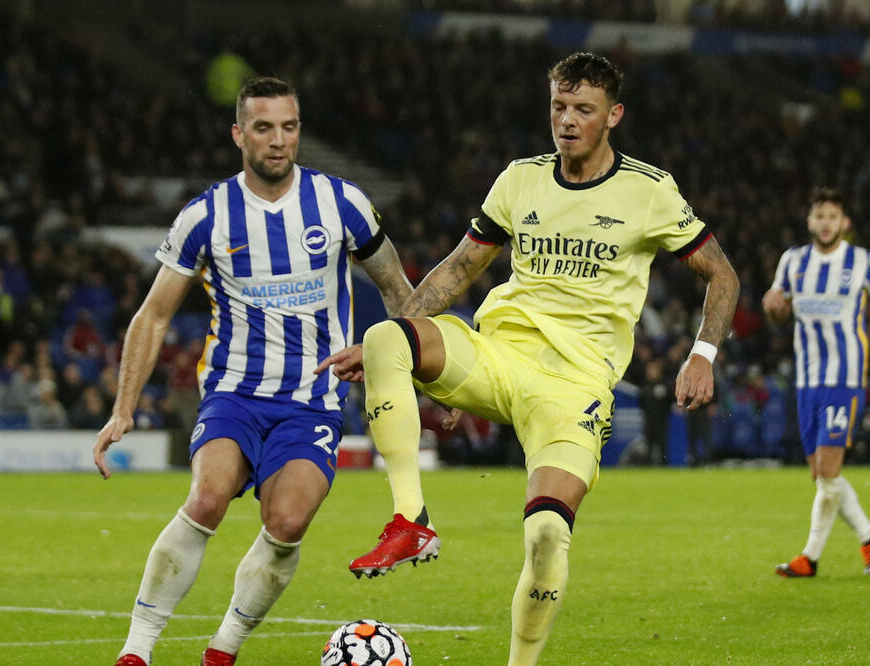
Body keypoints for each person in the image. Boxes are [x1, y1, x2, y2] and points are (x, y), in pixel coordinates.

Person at [318, 52, 739, 665]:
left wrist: (702, 353)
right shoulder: (520, 179)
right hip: (498, 354)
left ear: (613, 115)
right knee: (387, 336)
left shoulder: (649, 191)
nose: (567, 121)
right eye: (559, 107)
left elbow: (721, 274)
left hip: (575, 387)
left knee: (546, 532)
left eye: (583, 110)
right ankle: (412, 521)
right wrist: (402, 340)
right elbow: (461, 268)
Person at [93, 77, 412, 666]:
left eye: (289, 127)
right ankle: (136, 652)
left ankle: (222, 651)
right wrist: (122, 408)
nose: (278, 140)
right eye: (264, 128)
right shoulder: (206, 215)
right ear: (239, 134)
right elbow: (152, 316)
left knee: (287, 519)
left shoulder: (342, 203)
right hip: (233, 392)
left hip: (312, 399)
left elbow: (400, 292)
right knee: (209, 497)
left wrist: (405, 365)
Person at [763, 187, 870, 578]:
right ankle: (869, 536)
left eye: (833, 216)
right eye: (819, 216)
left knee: (827, 474)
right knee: (821, 476)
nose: (825, 223)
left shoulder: (863, 262)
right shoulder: (792, 262)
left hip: (844, 378)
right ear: (810, 222)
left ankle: (809, 558)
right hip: (807, 380)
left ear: (844, 223)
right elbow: (776, 307)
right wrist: (772, 306)